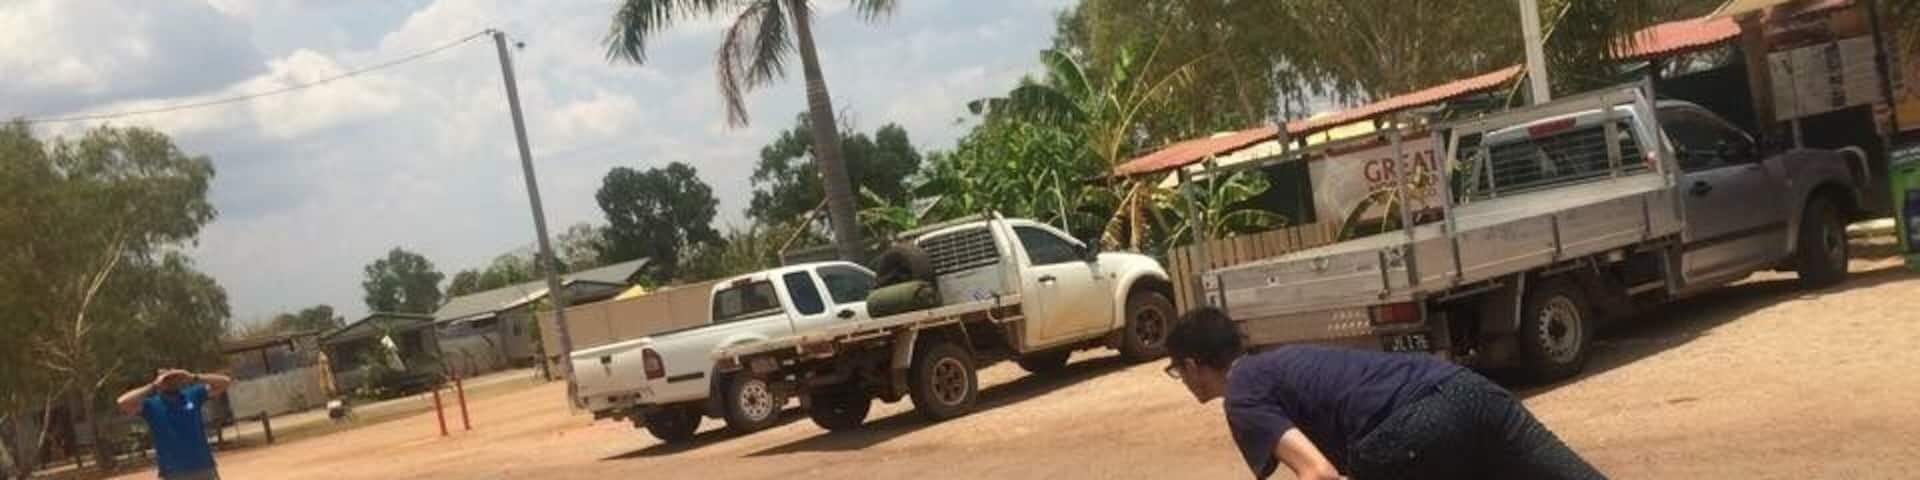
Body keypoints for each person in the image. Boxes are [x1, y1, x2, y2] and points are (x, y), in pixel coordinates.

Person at [1163, 308, 1602, 480]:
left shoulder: (1242, 392)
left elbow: (1318, 473)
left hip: (1406, 429)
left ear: (1193, 366)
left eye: (1176, 370)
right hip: (1466, 390)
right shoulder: (1277, 363)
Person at [117, 369, 232, 480]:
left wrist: (193, 377)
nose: (170, 380)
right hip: (173, 471)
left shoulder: (192, 395)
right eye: (166, 378)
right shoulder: (151, 405)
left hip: (203, 466)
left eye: (172, 376)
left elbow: (225, 382)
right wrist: (152, 386)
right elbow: (123, 402)